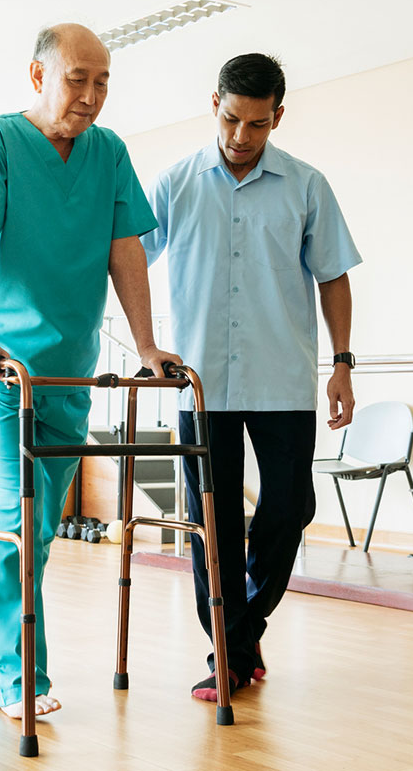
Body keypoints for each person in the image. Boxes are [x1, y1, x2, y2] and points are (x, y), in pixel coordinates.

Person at [0, 23, 180, 720]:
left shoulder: (108, 153)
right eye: (78, 77)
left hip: (70, 374)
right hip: (2, 369)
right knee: (19, 513)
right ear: (38, 75)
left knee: (37, 526)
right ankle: (21, 679)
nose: (92, 94)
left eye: (103, 81)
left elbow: (126, 251)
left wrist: (145, 346)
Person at [140, 52, 361, 702]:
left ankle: (244, 626)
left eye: (258, 125)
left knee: (289, 511)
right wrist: (148, 345)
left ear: (278, 118)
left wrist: (343, 363)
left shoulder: (306, 185)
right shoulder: (175, 183)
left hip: (282, 378)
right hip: (199, 385)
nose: (241, 136)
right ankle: (230, 654)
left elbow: (334, 276)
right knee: (214, 523)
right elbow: (127, 260)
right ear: (214, 104)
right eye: (233, 119)